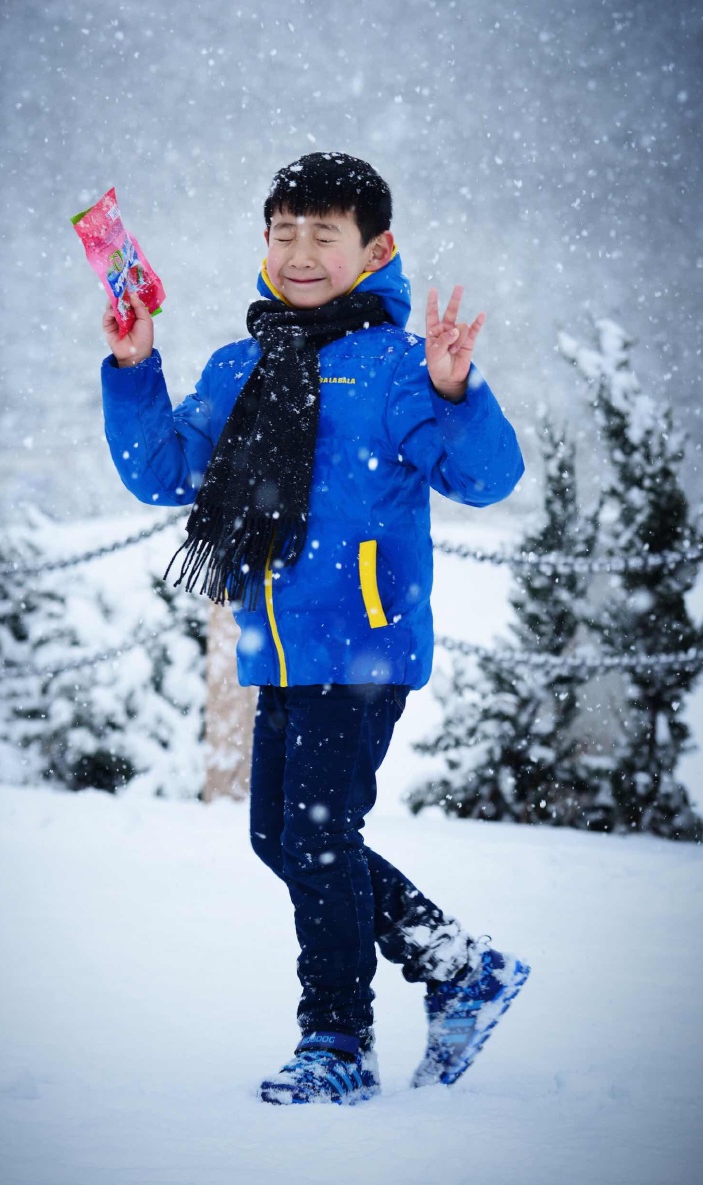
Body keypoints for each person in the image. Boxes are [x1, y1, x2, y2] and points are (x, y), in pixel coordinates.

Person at [100, 152, 529, 1105]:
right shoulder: (237, 363)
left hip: (364, 644)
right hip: (280, 648)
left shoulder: (398, 368)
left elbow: (485, 478)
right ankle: (459, 965)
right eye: (283, 232)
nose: (298, 252)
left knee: (319, 838)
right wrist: (134, 368)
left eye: (322, 234)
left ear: (375, 249)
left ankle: (336, 1042)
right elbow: (166, 471)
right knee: (279, 838)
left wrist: (457, 394)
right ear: (264, 241)